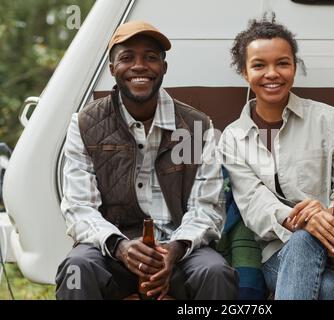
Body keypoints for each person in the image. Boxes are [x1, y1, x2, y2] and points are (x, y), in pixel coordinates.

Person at [55, 21, 238, 300]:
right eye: (127, 58)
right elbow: (79, 207)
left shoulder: (195, 126)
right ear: (112, 68)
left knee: (215, 272)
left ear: (163, 67)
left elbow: (207, 207)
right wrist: (120, 247)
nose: (139, 66)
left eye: (151, 57)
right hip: (112, 251)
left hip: (178, 251)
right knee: (76, 268)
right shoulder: (84, 125)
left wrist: (174, 250)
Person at [218, 15, 334, 300]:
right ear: (244, 72)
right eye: (259, 65)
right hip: (279, 254)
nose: (272, 73)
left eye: (282, 63)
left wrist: (326, 216)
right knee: (324, 286)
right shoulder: (232, 137)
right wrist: (300, 220)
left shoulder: (328, 119)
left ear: (294, 67)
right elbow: (253, 204)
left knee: (307, 240)